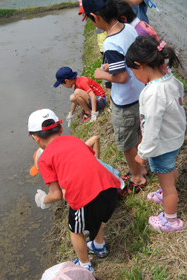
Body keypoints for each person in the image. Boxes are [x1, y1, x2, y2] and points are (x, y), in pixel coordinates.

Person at [28, 109, 122, 273]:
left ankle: (85, 265)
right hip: (110, 188)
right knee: (96, 217)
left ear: (35, 138)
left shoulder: (44, 158)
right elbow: (91, 161)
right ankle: (99, 246)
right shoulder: (74, 140)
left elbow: (56, 194)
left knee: (75, 231)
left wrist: (43, 200)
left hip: (85, 199)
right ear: (61, 129)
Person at [82, 0, 147, 196]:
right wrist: (114, 66)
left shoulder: (110, 42)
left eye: (91, 20)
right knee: (138, 133)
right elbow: (130, 58)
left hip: (125, 101)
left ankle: (137, 177)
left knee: (127, 143)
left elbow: (121, 77)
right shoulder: (128, 28)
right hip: (140, 94)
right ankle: (142, 167)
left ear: (96, 17)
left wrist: (101, 74)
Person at [126, 36, 186, 231]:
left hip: (162, 144)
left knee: (168, 184)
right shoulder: (171, 79)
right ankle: (165, 193)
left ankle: (170, 221)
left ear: (140, 66)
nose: (134, 75)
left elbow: (151, 128)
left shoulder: (152, 93)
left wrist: (142, 153)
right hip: (174, 138)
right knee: (169, 170)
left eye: (133, 71)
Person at [30, 135, 123, 184]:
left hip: (111, 186)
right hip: (114, 175)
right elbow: (95, 139)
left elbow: (61, 194)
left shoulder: (67, 173)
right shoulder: (74, 150)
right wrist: (94, 162)